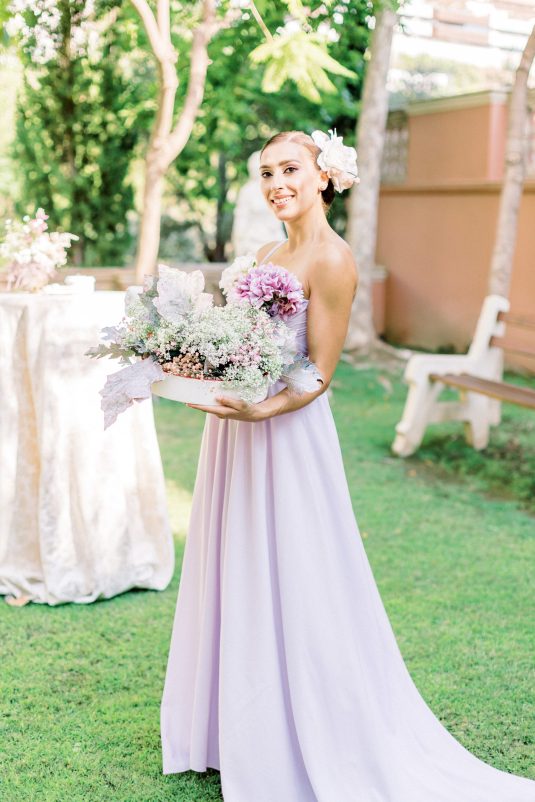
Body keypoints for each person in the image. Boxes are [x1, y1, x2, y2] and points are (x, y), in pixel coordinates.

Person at [160, 129, 535, 802]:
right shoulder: (264, 254)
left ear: (322, 176)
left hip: (285, 434)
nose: (277, 183)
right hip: (236, 432)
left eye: (290, 169)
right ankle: (234, 732)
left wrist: (263, 409)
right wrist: (193, 366)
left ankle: (303, 731)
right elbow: (238, 345)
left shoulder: (333, 260)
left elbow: (316, 374)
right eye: (266, 172)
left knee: (296, 570)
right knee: (236, 563)